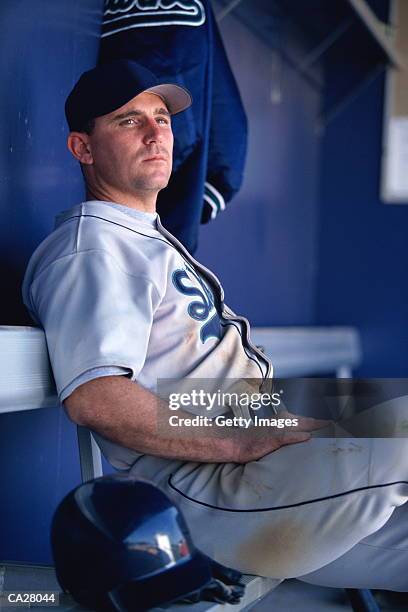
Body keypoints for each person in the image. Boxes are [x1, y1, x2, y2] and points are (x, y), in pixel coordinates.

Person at [22, 60, 408, 591]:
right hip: (209, 492)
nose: (157, 132)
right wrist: (238, 437)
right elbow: (97, 398)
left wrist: (273, 425)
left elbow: (194, 393)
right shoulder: (94, 248)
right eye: (129, 121)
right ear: (83, 148)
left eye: (162, 117)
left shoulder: (141, 238)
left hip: (262, 473)